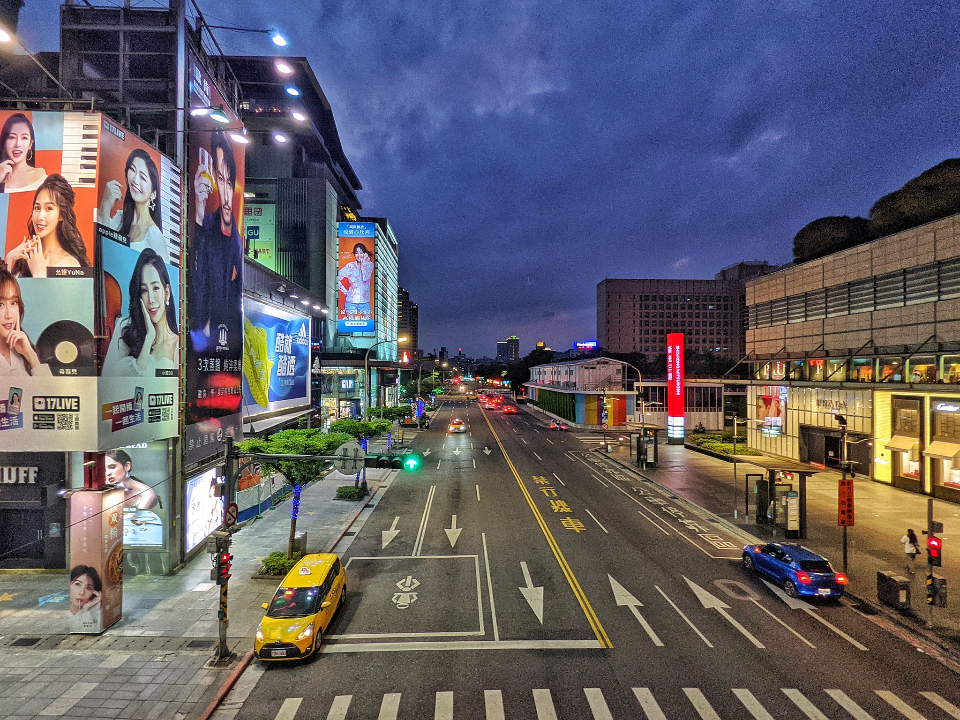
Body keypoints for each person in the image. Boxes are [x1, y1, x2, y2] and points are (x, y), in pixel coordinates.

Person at [190, 131, 242, 348]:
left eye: (229, 182)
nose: (226, 193)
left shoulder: (237, 241)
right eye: (220, 179)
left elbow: (235, 299)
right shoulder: (206, 225)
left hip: (223, 339)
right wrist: (199, 210)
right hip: (200, 336)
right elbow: (196, 277)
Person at [103, 249, 179, 377]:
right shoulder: (126, 328)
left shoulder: (178, 345)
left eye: (155, 288)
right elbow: (109, 381)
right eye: (144, 290)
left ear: (167, 293)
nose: (151, 300)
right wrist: (149, 338)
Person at [6, 174, 91, 277]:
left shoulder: (69, 264)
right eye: (37, 208)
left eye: (49, 208)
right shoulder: (24, 258)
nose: (40, 217)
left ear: (61, 215)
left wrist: (39, 275)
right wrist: (10, 259)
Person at [98, 148, 167, 260]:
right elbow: (101, 252)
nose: (135, 180)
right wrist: (105, 205)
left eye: (143, 177)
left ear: (153, 194)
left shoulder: (154, 236)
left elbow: (163, 274)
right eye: (133, 170)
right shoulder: (120, 219)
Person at [0, 262, 50, 376]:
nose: (9, 315)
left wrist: (30, 355)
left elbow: (50, 393)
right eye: (0, 305)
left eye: (14, 303)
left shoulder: (21, 349)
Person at [0, 113, 47, 193]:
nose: (17, 144)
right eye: (12, 137)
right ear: (5, 142)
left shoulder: (39, 175)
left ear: (30, 144)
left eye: (24, 138)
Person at [337, 243, 374, 320]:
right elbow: (337, 277)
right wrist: (345, 292)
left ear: (365, 253)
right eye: (356, 253)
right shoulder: (350, 266)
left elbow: (366, 277)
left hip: (364, 302)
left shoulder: (369, 265)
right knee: (349, 326)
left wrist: (364, 262)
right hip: (351, 301)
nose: (359, 255)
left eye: (361, 253)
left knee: (369, 325)